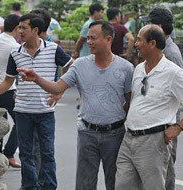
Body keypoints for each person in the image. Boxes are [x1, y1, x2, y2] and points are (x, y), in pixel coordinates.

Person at [18, 20, 133, 190]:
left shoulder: (126, 68)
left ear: (108, 39)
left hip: (115, 134)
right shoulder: (80, 64)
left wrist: (114, 119)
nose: (89, 42)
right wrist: (37, 79)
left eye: (94, 38)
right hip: (88, 133)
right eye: (88, 38)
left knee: (115, 182)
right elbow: (57, 87)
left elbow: (129, 102)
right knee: (85, 184)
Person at [0, 13, 72, 190]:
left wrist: (59, 90)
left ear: (36, 30)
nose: (20, 31)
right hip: (23, 111)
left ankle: (48, 186)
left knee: (47, 153)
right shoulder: (15, 52)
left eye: (24, 27)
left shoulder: (53, 49)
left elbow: (72, 66)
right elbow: (7, 82)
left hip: (45, 112)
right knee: (26, 154)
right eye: (19, 27)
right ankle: (29, 186)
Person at [115, 24, 183, 189]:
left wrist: (178, 127)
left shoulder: (173, 72)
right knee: (122, 185)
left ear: (152, 44)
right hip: (128, 139)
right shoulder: (139, 68)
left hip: (153, 142)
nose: (135, 44)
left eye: (139, 40)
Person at [141, 7, 183, 190]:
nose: (145, 26)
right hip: (154, 116)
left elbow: (180, 91)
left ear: (158, 27)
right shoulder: (157, 48)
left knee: (165, 166)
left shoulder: (170, 54)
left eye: (148, 23)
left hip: (166, 118)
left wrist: (174, 126)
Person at [0, 14, 21, 168]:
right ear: (16, 28)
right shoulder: (14, 47)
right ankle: (9, 153)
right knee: (21, 120)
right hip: (6, 89)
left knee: (0, 120)